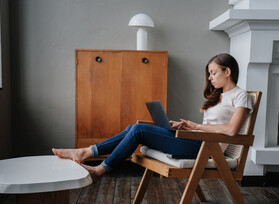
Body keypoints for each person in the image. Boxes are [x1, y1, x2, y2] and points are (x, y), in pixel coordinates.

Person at [52, 53, 252, 183]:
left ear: (228, 71)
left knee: (139, 131)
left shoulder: (240, 95)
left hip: (206, 149)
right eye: (209, 73)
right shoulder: (218, 96)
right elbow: (213, 126)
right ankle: (87, 152)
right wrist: (187, 127)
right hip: (196, 140)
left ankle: (98, 170)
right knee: (134, 126)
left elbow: (231, 130)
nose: (209, 77)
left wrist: (196, 126)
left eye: (213, 72)